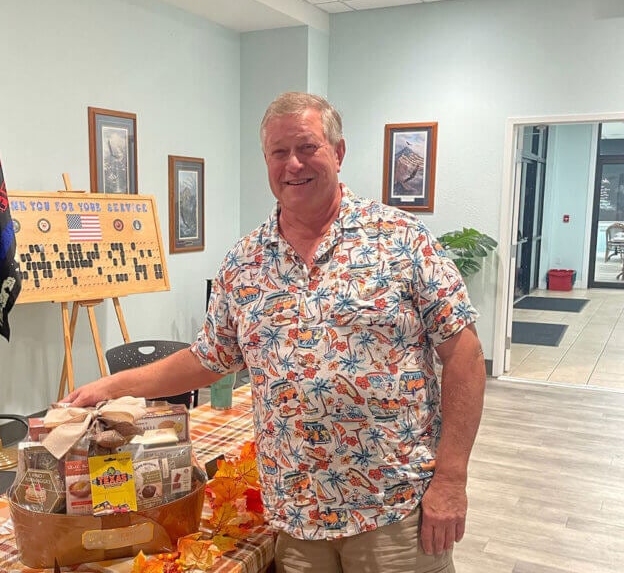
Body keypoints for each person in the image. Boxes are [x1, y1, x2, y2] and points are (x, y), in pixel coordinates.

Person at [63, 92, 486, 573]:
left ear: (339, 152)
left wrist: (451, 477)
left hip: (393, 509)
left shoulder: (401, 239)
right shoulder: (244, 262)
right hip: (297, 515)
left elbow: (465, 355)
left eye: (308, 147)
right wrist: (110, 386)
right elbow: (206, 359)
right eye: (279, 152)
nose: (294, 164)